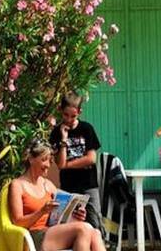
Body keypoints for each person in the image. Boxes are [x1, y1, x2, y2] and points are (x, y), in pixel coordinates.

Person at [8, 138, 106, 251]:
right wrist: (42, 211)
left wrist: (77, 214)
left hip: (53, 231)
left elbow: (62, 213)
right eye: (44, 160)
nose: (48, 165)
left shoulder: (48, 185)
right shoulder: (17, 185)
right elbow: (18, 222)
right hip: (33, 235)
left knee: (95, 233)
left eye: (50, 161)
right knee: (84, 228)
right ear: (31, 159)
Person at [48, 92, 102, 229]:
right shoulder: (56, 133)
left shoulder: (86, 129)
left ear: (80, 112)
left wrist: (68, 164)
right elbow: (60, 163)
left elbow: (91, 158)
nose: (69, 119)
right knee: (68, 224)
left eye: (73, 116)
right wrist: (64, 140)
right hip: (68, 185)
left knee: (94, 221)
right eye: (66, 115)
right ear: (61, 111)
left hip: (88, 185)